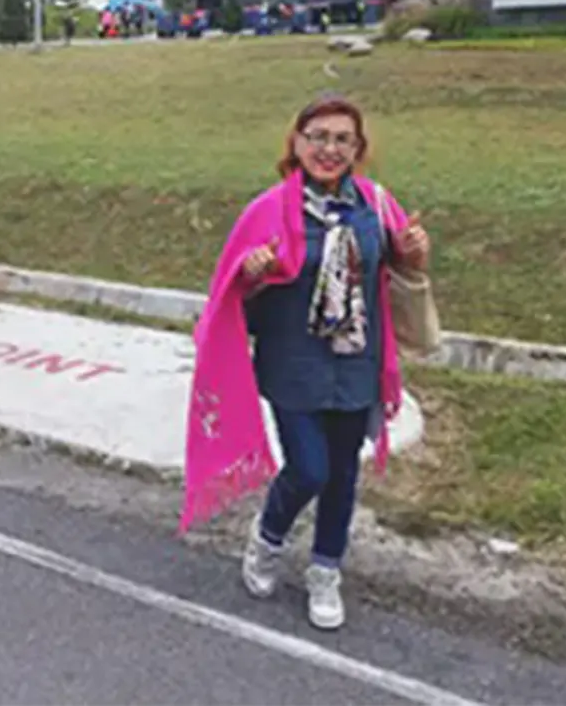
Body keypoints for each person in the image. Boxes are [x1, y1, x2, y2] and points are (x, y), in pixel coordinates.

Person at [182, 93, 431, 632]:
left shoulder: (376, 205)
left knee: (342, 475)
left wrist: (414, 253)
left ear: (358, 149)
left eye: (343, 139)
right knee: (309, 468)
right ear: (296, 144)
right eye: (317, 137)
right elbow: (234, 299)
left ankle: (325, 571)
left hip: (357, 365)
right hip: (293, 365)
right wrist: (251, 275)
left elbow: (398, 268)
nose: (329, 149)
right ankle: (268, 537)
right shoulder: (268, 211)